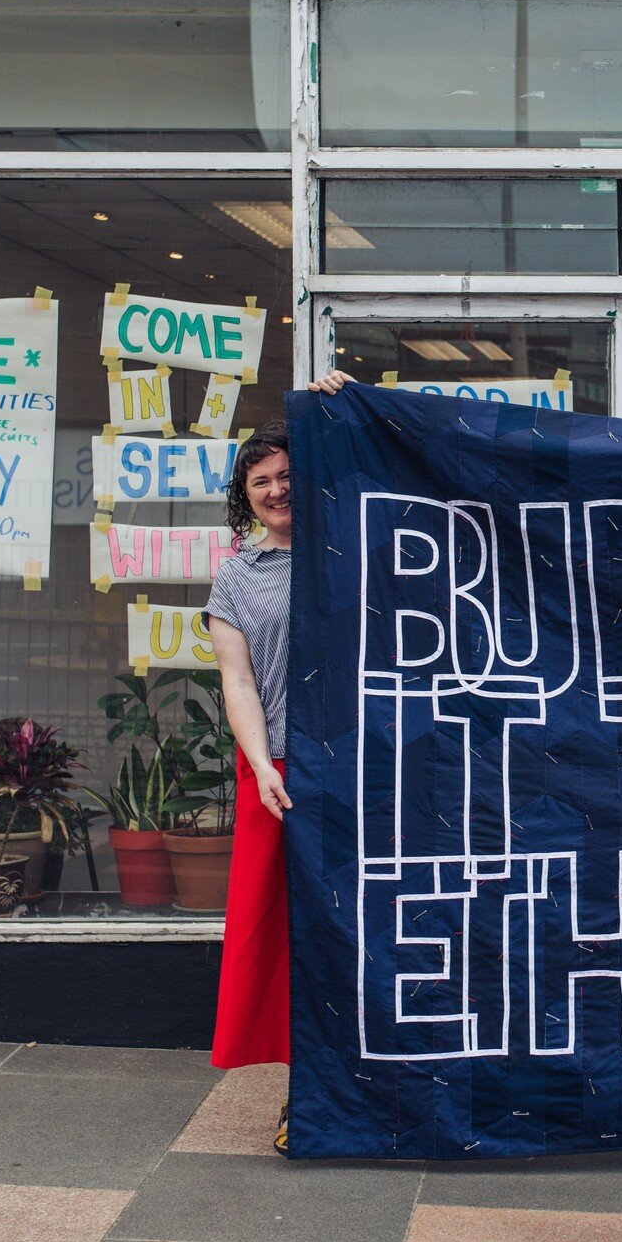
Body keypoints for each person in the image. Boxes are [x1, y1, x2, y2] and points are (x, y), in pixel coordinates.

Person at [203, 369, 353, 1156]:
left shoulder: (349, 539)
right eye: (260, 481)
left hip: (365, 767)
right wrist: (261, 767)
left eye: (288, 474)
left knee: (363, 929)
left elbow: (382, 463)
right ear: (245, 495)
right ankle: (310, 1098)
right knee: (285, 937)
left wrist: (345, 404)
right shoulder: (237, 576)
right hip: (282, 774)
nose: (275, 490)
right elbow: (238, 682)